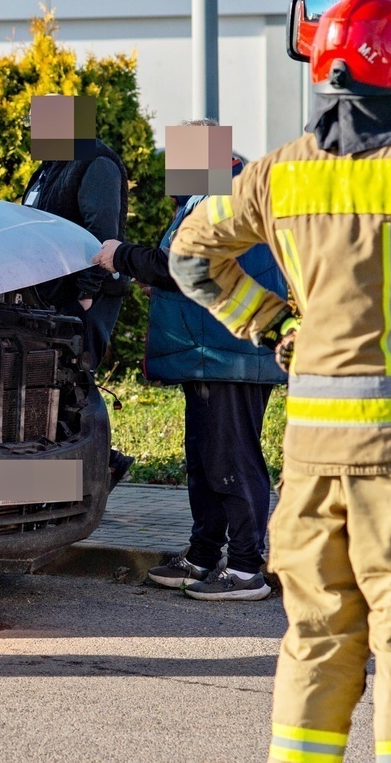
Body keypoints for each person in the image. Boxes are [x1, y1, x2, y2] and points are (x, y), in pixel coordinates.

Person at [168, 0, 391, 759]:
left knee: (317, 633)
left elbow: (189, 256)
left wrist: (272, 323)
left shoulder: (275, 174)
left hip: (310, 456)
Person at [92, 141, 287, 601]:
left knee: (232, 461)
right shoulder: (208, 196)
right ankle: (202, 556)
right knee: (205, 461)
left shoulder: (226, 196)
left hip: (228, 354)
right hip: (211, 351)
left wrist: (121, 255)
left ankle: (246, 569)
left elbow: (187, 263)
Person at [20, 107, 135, 483]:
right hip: (52, 296)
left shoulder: (95, 162)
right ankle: (67, 478)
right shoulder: (52, 166)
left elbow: (101, 234)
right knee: (54, 387)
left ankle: (97, 469)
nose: (32, 133)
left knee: (74, 383)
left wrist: (86, 295)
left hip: (84, 297)